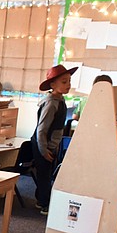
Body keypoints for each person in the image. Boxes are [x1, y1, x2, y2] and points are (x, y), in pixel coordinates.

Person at [32, 63, 74, 213]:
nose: (68, 85)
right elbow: (42, 130)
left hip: (50, 144)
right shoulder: (50, 103)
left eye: (69, 81)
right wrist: (44, 150)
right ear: (53, 84)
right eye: (64, 82)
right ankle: (44, 205)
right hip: (41, 144)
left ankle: (41, 199)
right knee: (44, 175)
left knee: (47, 173)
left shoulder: (60, 100)